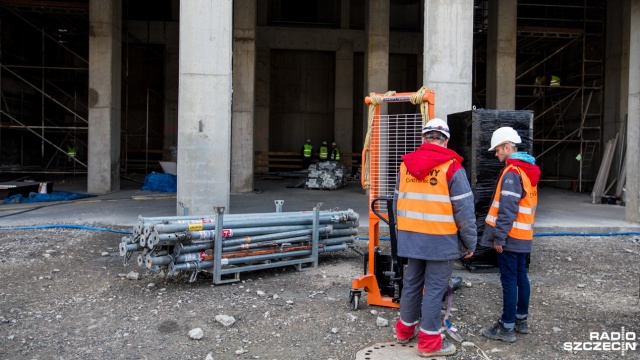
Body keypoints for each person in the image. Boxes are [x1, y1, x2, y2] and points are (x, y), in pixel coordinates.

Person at [393, 118, 477, 357]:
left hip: (411, 239)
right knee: (434, 290)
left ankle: (404, 331)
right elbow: (465, 211)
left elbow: (397, 203)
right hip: (440, 241)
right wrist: (469, 243)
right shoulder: (451, 167)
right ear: (446, 140)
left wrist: (405, 234)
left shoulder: (405, 165)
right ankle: (429, 344)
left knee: (411, 284)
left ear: (424, 138)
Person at [480, 126, 540, 343]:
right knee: (521, 278)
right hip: (523, 235)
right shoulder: (527, 170)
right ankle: (520, 320)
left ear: (507, 147)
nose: (496, 154)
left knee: (509, 280)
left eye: (497, 150)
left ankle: (506, 328)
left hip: (511, 236)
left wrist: (499, 237)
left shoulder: (512, 172)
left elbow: (507, 209)